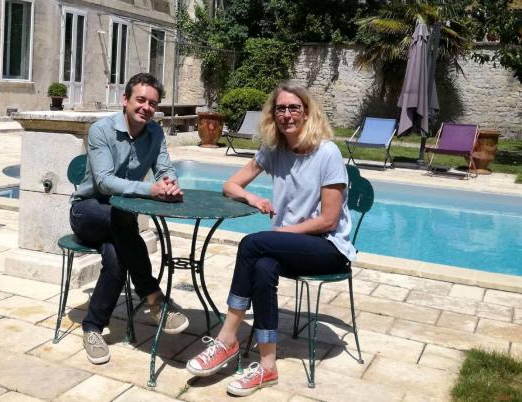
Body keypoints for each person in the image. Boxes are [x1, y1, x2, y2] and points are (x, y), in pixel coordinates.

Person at [185, 83, 356, 396]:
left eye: (294, 108)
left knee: (253, 244)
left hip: (329, 247)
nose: (287, 114)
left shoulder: (326, 152)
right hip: (291, 243)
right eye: (281, 108)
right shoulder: (274, 149)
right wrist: (254, 199)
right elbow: (230, 185)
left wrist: (280, 233)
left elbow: (328, 220)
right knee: (262, 266)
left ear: (307, 112)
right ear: (273, 114)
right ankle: (267, 367)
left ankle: (227, 339)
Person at [70, 73, 188, 365]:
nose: (146, 107)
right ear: (125, 100)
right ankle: (153, 295)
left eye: (152, 103)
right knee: (122, 219)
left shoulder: (155, 133)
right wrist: (151, 189)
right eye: (140, 100)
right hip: (88, 211)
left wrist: (170, 182)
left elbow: (164, 168)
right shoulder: (101, 130)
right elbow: (105, 183)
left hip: (120, 219)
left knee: (117, 257)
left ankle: (92, 328)